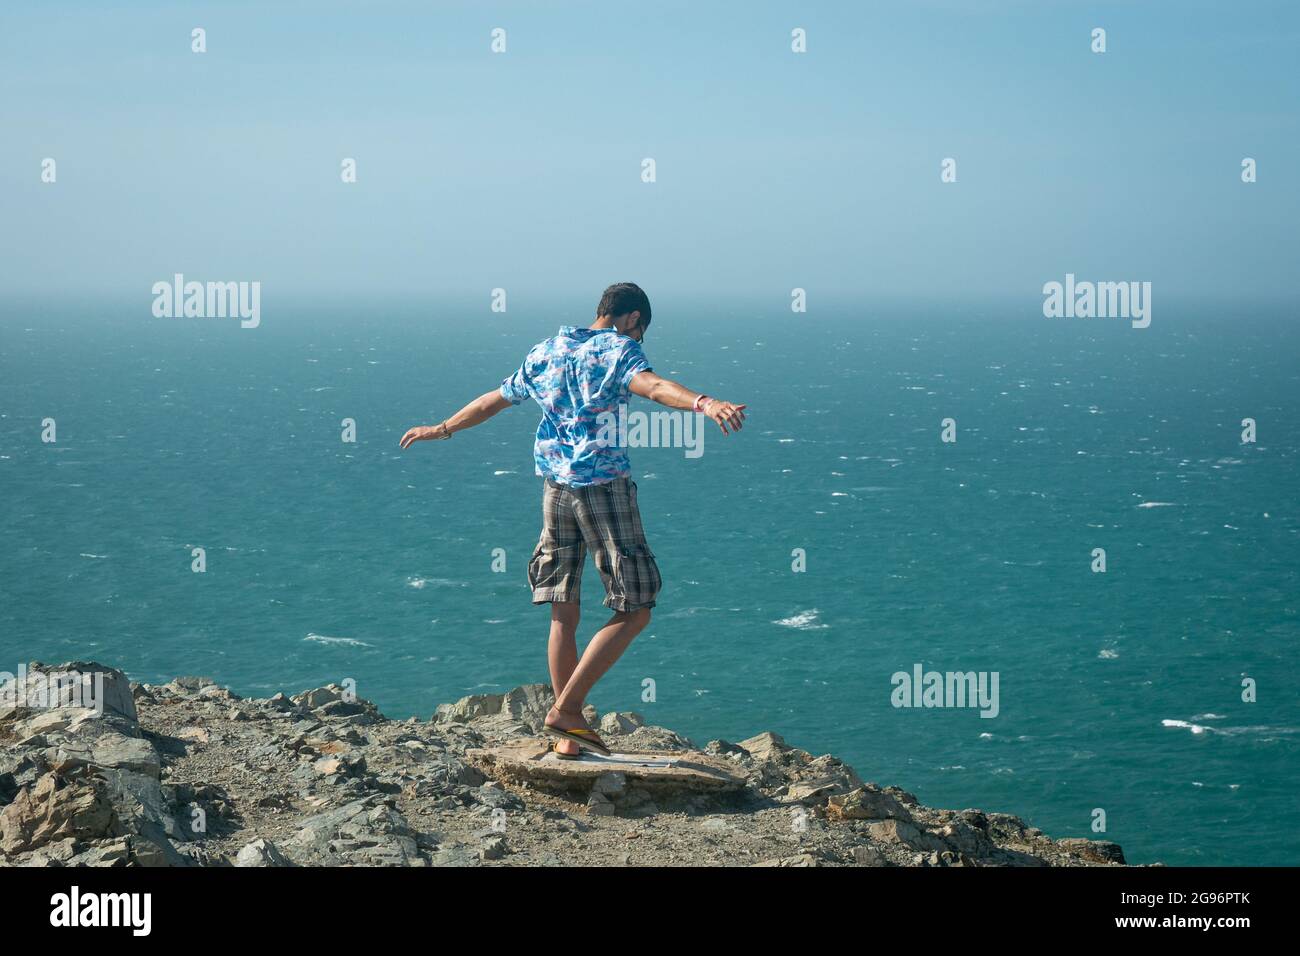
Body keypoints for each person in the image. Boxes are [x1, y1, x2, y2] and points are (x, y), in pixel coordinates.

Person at [400, 282, 746, 756]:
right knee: (636, 606)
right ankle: (566, 709)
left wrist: (440, 429)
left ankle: (570, 736)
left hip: (554, 491)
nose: (638, 341)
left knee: (564, 608)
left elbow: (492, 401)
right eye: (640, 332)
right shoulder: (619, 350)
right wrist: (705, 404)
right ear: (631, 319)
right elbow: (655, 387)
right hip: (602, 489)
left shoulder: (547, 350)